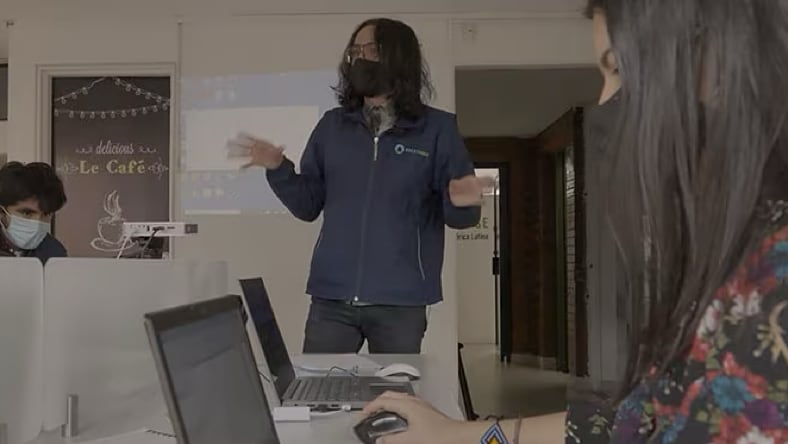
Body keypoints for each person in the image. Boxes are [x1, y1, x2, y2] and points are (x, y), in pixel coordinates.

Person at [360, 0, 788, 442]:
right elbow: (638, 420)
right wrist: (457, 435)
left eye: (617, 69)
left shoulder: (774, 281)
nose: (603, 100)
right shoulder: (731, 248)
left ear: (712, 68)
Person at [231, 18, 488, 354]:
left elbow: (461, 215)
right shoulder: (332, 126)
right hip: (332, 299)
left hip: (401, 302)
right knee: (322, 386)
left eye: (371, 50)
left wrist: (463, 201)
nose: (360, 58)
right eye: (355, 51)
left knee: (394, 388)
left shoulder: (437, 129)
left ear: (398, 56)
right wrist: (278, 169)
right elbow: (308, 205)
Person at [0, 161, 68, 264]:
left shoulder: (55, 252)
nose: (37, 222)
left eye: (45, 214)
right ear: (2, 212)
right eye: (27, 213)